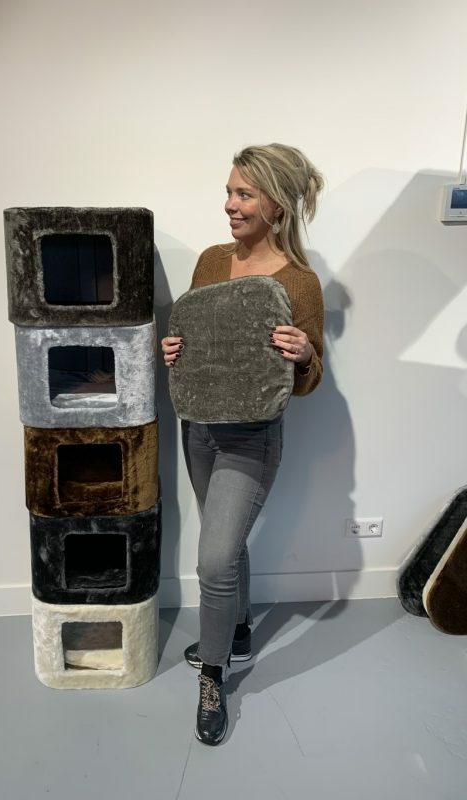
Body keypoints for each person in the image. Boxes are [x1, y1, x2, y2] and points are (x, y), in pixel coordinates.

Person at [161, 144, 325, 746]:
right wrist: (173, 351)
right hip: (199, 429)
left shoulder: (298, 282)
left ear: (276, 204)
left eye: (244, 194)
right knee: (225, 546)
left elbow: (310, 380)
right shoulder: (210, 262)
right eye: (229, 192)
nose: (229, 204)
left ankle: (213, 676)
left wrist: (304, 355)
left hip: (252, 438)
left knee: (212, 559)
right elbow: (195, 341)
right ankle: (237, 632)